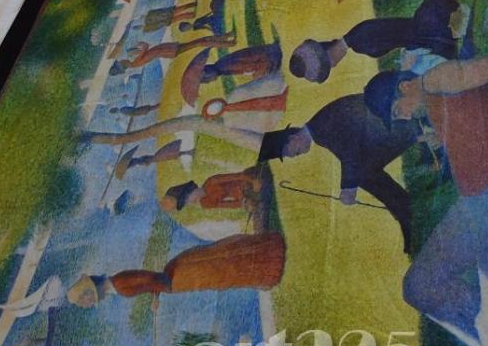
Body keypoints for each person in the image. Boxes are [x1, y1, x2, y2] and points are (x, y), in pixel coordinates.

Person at [363, 51, 488, 346]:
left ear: (406, 87)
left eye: (398, 111)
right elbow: (463, 117)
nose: (404, 117)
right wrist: (439, 139)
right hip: (473, 204)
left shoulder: (437, 78)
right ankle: (486, 324)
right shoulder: (434, 95)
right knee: (417, 287)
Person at [256, 94, 418, 251]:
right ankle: (405, 211)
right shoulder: (318, 128)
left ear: (292, 138)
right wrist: (349, 185)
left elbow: (350, 151)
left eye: (288, 152)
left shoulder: (320, 129)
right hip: (379, 127)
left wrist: (348, 188)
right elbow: (349, 151)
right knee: (364, 174)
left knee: (364, 174)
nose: (292, 156)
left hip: (391, 124)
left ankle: (406, 212)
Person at [67, 232, 286, 305]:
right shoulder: (117, 283)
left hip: (179, 278)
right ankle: (266, 257)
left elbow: (153, 280)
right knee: (220, 262)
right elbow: (149, 282)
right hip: (176, 274)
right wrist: (156, 297)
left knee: (222, 270)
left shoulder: (120, 285)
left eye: (86, 301)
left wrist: (164, 289)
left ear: (91, 292)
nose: (89, 304)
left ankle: (268, 263)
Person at [289, 0, 466, 83]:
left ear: (328, 53)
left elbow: (402, 33)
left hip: (429, 30)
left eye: (330, 65)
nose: (335, 65)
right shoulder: (355, 40)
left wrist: (409, 56)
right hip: (422, 34)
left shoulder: (360, 40)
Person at [162, 169, 264, 214]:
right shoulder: (205, 203)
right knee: (255, 204)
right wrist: (244, 203)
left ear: (193, 190)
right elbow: (227, 204)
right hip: (244, 194)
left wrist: (252, 181)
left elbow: (237, 176)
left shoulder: (211, 182)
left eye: (189, 197)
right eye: (187, 202)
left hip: (247, 181)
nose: (191, 201)